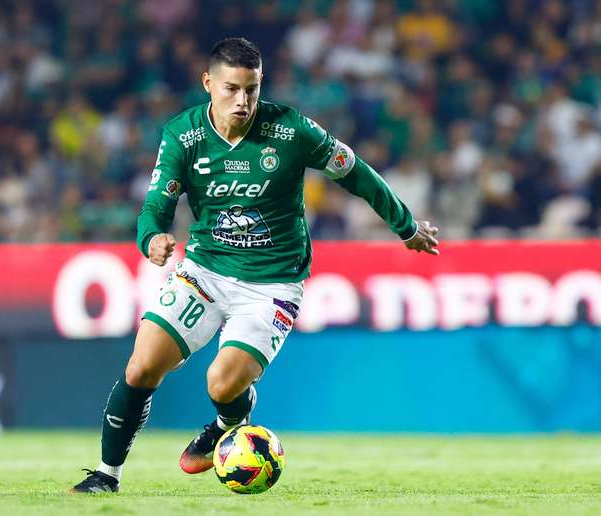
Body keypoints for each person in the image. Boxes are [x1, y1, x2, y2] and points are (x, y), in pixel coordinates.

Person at [70, 37, 439, 494]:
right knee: (142, 367)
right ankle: (107, 477)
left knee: (220, 381)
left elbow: (355, 171)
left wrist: (405, 227)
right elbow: (154, 208)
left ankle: (228, 418)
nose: (243, 101)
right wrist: (153, 239)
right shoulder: (182, 135)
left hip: (274, 285)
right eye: (231, 89)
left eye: (252, 88)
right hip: (205, 272)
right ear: (208, 84)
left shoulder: (291, 131)